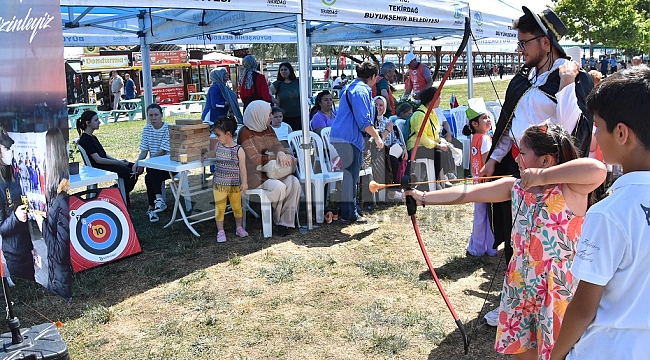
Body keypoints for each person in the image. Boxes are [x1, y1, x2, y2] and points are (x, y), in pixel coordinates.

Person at [406, 122, 606, 360]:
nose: (517, 159)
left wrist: (543, 177)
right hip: (520, 283)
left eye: (522, 153)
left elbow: (597, 169)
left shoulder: (571, 190)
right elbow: (468, 193)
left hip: (556, 287)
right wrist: (422, 198)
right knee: (522, 351)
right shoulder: (516, 187)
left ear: (546, 160)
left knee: (556, 352)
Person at [550, 67, 650, 360]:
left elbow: (583, 308)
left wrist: (556, 356)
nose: (594, 135)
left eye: (597, 126)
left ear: (621, 133)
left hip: (606, 349)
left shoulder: (608, 213)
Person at [480, 6, 593, 264]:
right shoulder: (524, 78)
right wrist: (494, 159)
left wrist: (565, 85)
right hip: (518, 166)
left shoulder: (575, 78)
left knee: (547, 241)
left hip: (552, 176)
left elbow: (572, 133)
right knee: (516, 236)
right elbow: (509, 124)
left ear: (546, 42)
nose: (520, 50)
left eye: (524, 43)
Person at [330, 61, 384, 225]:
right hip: (348, 137)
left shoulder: (350, 87)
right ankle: (349, 214)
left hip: (342, 135)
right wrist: (377, 137)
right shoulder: (360, 91)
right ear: (373, 77)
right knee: (351, 175)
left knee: (351, 174)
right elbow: (363, 121)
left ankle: (350, 209)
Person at [238, 100, 300, 237]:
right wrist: (274, 156)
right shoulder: (245, 133)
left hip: (272, 171)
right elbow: (254, 158)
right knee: (278, 187)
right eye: (269, 114)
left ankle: (284, 222)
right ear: (258, 115)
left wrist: (281, 152)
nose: (271, 117)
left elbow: (277, 145)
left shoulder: (268, 129)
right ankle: (277, 219)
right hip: (254, 174)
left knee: (294, 183)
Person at [34, 128, 72, 300]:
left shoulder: (60, 200)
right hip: (56, 279)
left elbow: (58, 252)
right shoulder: (56, 192)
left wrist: (41, 223)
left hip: (60, 286)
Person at [76, 110, 138, 205]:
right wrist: (118, 163)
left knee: (135, 168)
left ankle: (118, 190)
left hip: (104, 164)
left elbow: (104, 155)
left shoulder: (93, 137)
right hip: (99, 167)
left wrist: (119, 161)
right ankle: (118, 192)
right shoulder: (85, 140)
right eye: (96, 120)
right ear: (88, 123)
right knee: (129, 173)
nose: (99, 122)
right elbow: (98, 160)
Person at [202, 116, 248, 243]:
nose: (216, 138)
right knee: (220, 207)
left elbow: (243, 167)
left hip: (234, 184)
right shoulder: (219, 146)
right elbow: (213, 153)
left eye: (218, 135)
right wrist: (207, 154)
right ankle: (220, 231)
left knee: (237, 206)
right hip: (219, 184)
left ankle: (239, 227)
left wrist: (244, 182)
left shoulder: (238, 150)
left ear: (228, 134)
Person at [462, 98, 497, 257]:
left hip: (478, 182)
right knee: (487, 217)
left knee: (481, 216)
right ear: (474, 124)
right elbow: (485, 162)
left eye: (488, 116)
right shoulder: (485, 139)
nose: (488, 120)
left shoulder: (475, 138)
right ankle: (486, 247)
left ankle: (481, 247)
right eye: (484, 118)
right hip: (485, 183)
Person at [0, 127, 34, 281]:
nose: (10, 152)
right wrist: (16, 217)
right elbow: (1, 228)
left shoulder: (15, 170)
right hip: (15, 254)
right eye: (7, 148)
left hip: (29, 246)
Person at [132, 104, 170, 223]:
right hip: (155, 167)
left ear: (161, 115)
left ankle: (154, 205)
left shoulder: (168, 128)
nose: (153, 118)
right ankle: (156, 204)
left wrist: (145, 163)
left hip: (170, 166)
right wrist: (137, 163)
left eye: (156, 115)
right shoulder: (147, 129)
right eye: (150, 115)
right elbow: (144, 150)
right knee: (150, 175)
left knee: (151, 170)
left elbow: (163, 150)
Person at [405, 87, 449, 184]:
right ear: (431, 100)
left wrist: (442, 142)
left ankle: (439, 177)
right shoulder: (420, 115)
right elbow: (422, 139)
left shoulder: (432, 113)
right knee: (439, 154)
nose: (440, 99)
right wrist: (438, 145)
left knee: (447, 149)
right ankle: (434, 181)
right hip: (416, 147)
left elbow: (435, 132)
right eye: (438, 97)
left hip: (428, 145)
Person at [374, 96, 406, 201]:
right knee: (392, 160)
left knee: (404, 156)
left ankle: (402, 187)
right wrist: (387, 130)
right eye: (376, 105)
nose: (378, 107)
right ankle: (392, 192)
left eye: (381, 105)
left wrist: (403, 147)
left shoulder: (387, 121)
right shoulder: (370, 123)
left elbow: (394, 139)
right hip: (376, 153)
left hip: (389, 151)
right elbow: (376, 142)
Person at [270, 62, 301, 131]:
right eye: (281, 70)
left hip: (299, 116)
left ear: (290, 70)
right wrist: (275, 101)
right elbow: (268, 92)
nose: (283, 71)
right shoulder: (278, 83)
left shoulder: (298, 82)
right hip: (283, 117)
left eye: (285, 69)